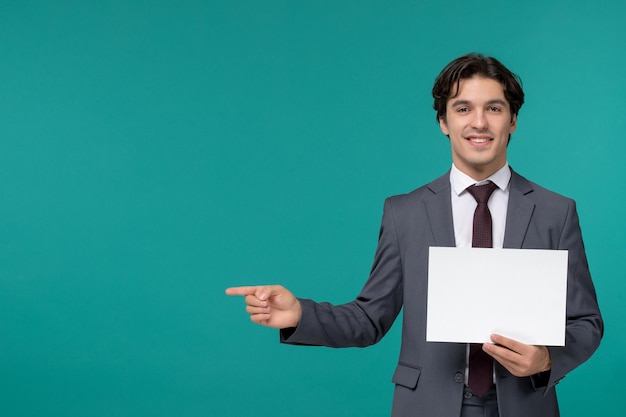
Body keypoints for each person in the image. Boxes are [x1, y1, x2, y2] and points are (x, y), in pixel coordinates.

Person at [225, 53, 603, 417]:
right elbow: (369, 318)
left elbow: (586, 322)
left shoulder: (556, 211)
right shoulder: (405, 212)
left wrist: (547, 359)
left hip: (525, 404)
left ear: (513, 120)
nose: (479, 123)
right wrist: (299, 315)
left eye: (494, 108)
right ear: (443, 121)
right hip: (427, 403)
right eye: (463, 108)